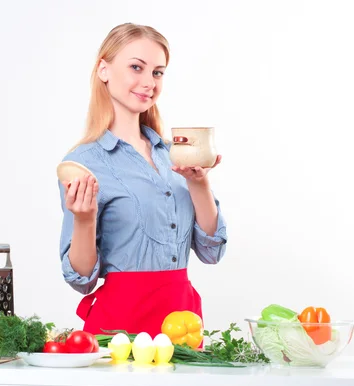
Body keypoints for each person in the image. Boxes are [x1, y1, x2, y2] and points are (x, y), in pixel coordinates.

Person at [57, 22, 228, 339]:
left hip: (183, 326)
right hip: (119, 329)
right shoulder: (84, 164)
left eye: (158, 72)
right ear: (104, 70)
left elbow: (211, 252)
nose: (149, 82)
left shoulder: (173, 154)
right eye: (137, 67)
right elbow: (81, 279)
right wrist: (84, 218)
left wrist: (199, 184)